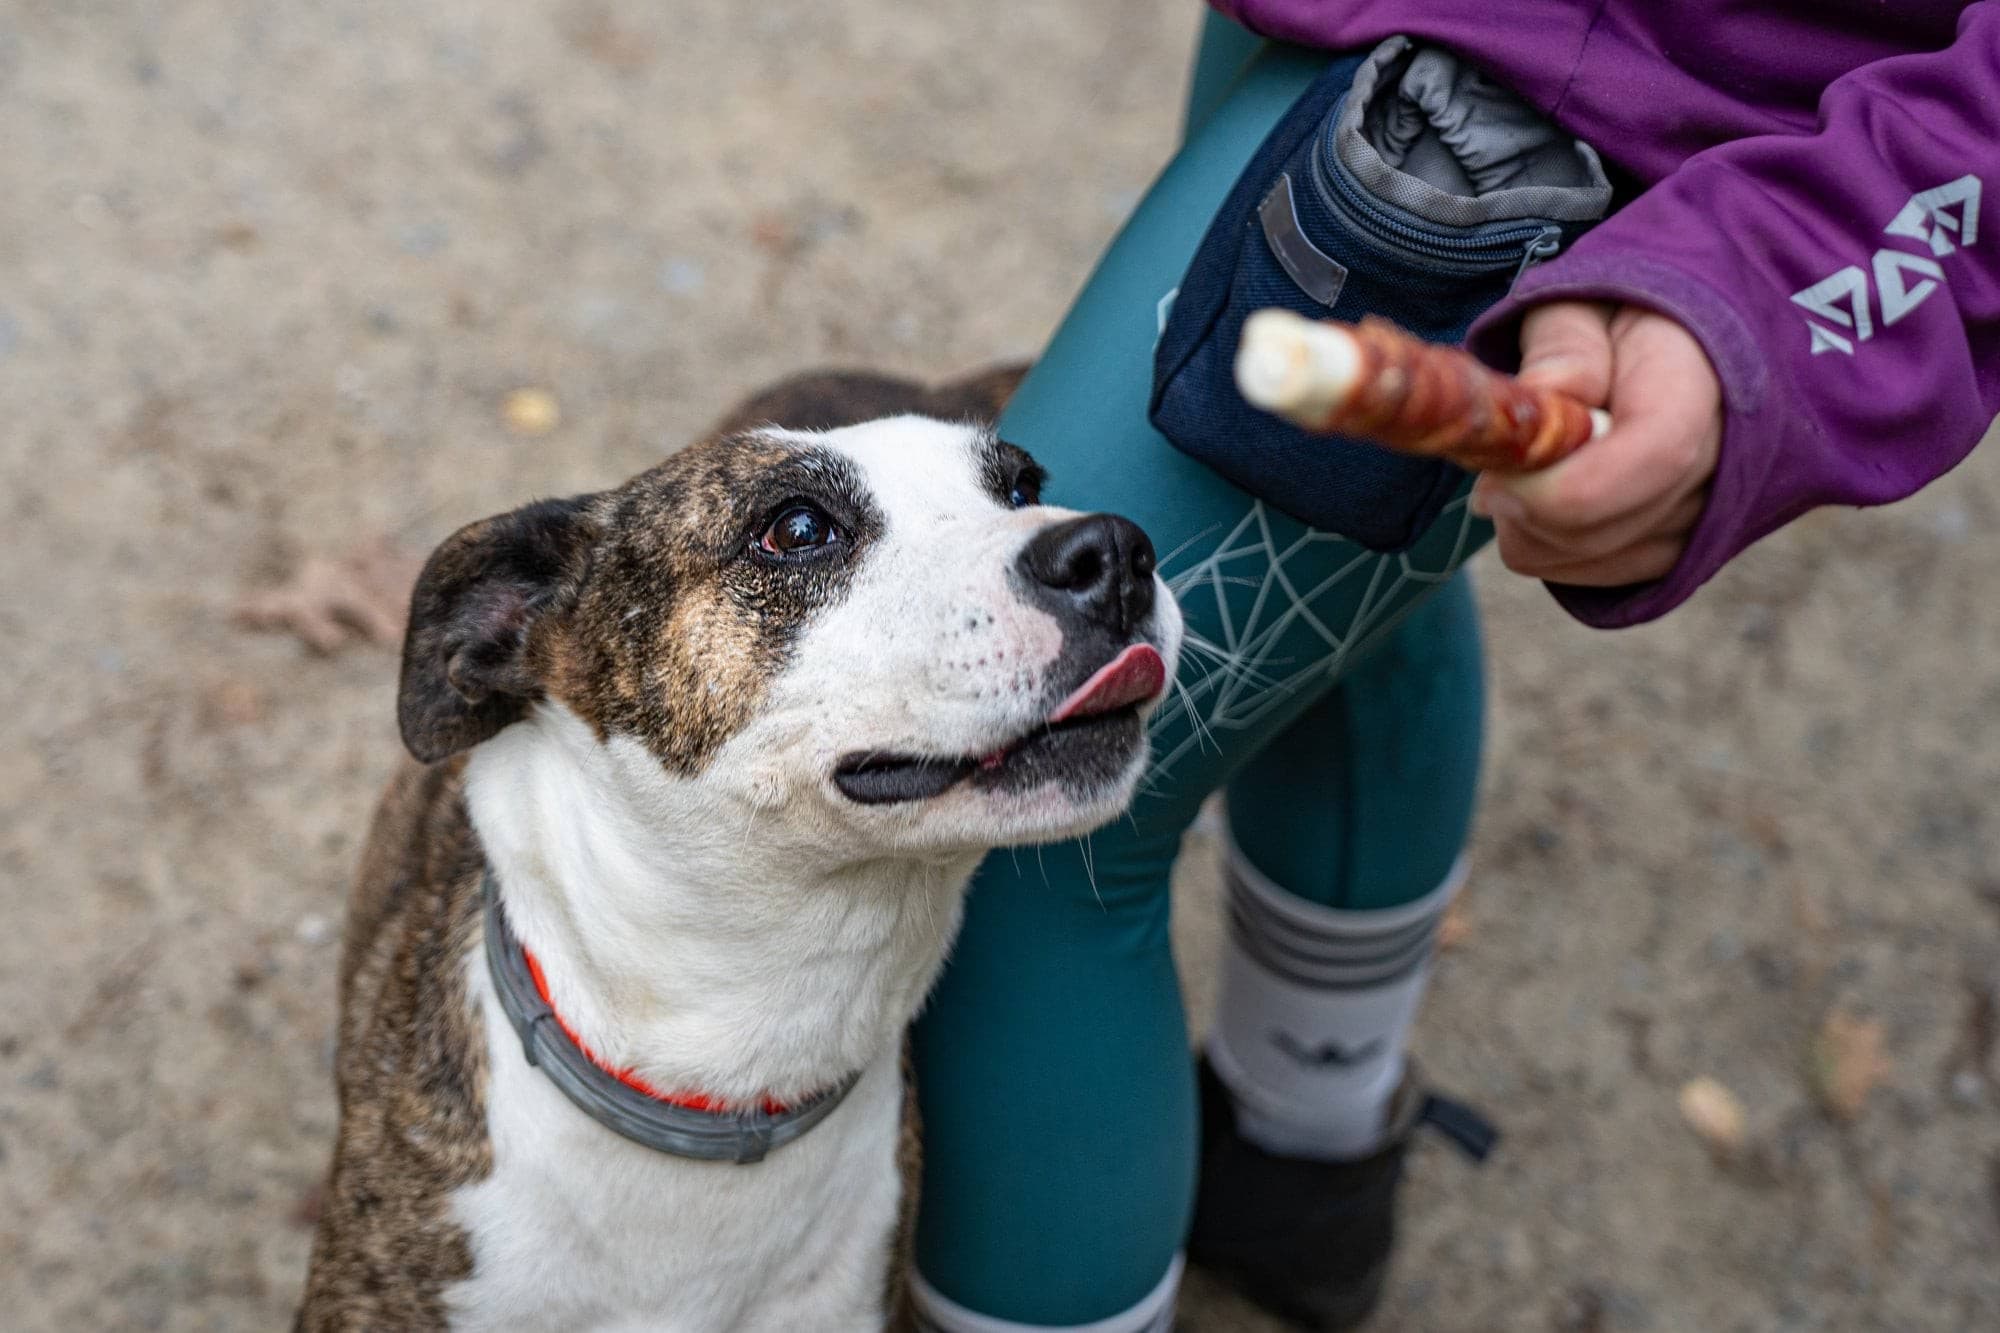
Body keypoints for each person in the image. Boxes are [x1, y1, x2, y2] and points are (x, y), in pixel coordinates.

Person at [907, 5, 2000, 1330]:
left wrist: (1784, 281)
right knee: (1341, 555)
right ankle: (1300, 1158)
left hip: (1621, 77)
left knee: (1022, 805)